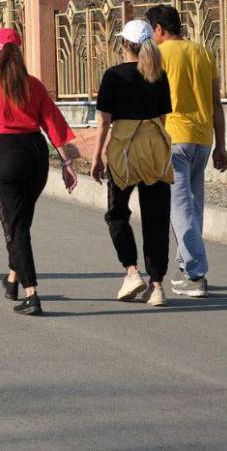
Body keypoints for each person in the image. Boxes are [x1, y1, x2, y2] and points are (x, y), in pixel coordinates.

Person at [0, 28, 78, 316]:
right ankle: (13, 279)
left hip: (6, 156)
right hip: (36, 157)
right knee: (20, 224)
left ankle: (32, 293)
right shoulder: (34, 85)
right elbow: (55, 126)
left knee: (14, 229)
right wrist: (68, 163)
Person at [145, 4, 227, 299]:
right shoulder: (203, 53)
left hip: (174, 138)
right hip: (203, 138)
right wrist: (222, 144)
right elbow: (216, 102)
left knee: (179, 208)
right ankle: (188, 267)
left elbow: (152, 103)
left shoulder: (159, 55)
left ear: (159, 29)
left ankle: (195, 274)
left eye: (151, 31)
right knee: (193, 207)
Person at [91, 19, 173, 309]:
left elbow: (103, 121)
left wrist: (97, 156)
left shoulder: (113, 76)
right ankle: (158, 286)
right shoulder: (159, 75)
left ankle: (131, 271)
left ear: (124, 44)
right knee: (156, 217)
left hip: (124, 149)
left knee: (116, 214)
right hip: (155, 149)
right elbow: (162, 119)